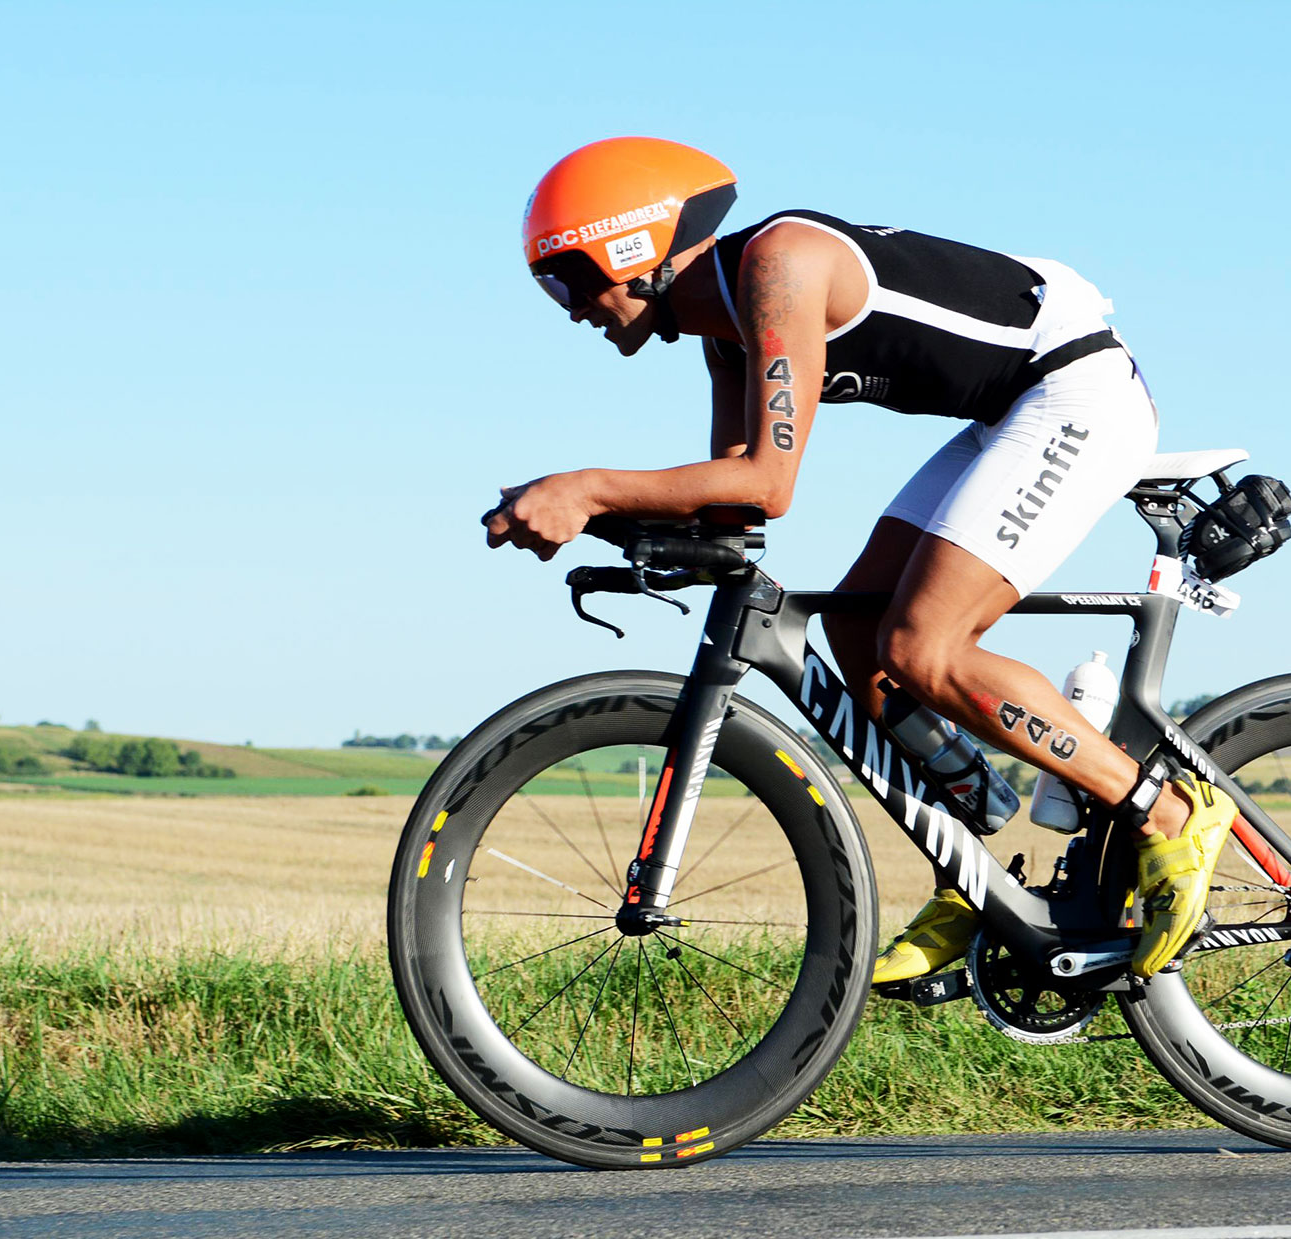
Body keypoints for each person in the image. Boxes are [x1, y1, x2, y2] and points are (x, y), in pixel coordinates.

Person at [485, 136, 1235, 980]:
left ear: (634, 245)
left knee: (924, 648)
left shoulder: (781, 265)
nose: (568, 308)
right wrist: (597, 517)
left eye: (568, 279)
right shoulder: (722, 333)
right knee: (857, 638)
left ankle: (1164, 812)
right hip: (1006, 410)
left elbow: (767, 482)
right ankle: (978, 875)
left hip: (1073, 390)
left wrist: (589, 486)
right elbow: (729, 505)